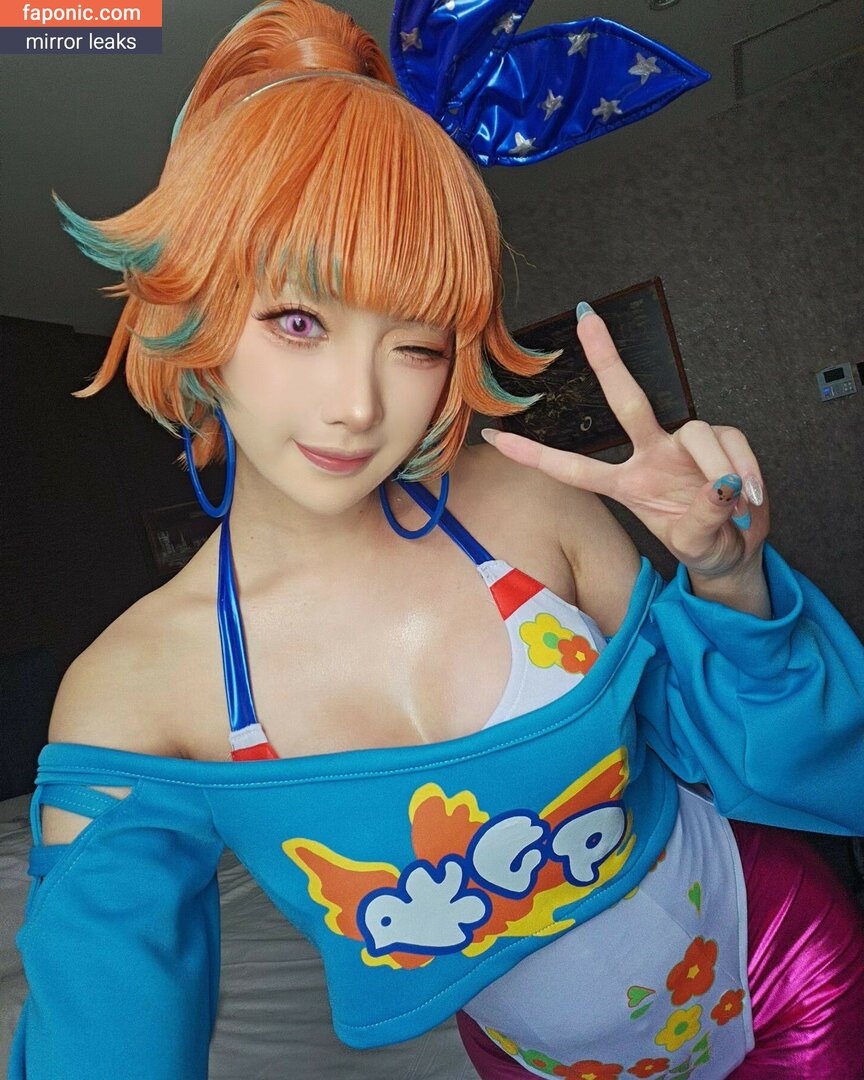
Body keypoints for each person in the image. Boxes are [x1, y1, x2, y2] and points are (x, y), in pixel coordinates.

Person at [10, 2, 864, 1078]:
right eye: (299, 322)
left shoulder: (526, 505)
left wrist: (728, 577)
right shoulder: (131, 692)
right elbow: (102, 1018)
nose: (359, 407)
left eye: (415, 344)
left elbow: (737, 746)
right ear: (203, 318)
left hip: (783, 964)